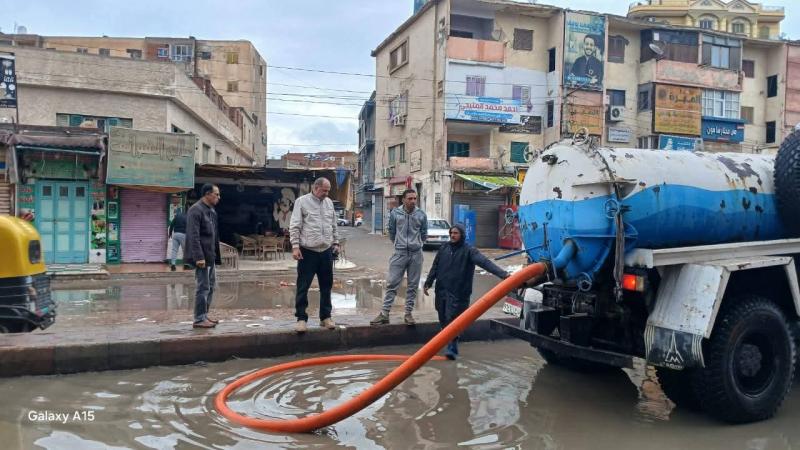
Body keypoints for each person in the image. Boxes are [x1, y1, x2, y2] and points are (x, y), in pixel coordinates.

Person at [423, 224, 509, 359]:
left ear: (462, 235)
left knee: (453, 320)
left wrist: (504, 275)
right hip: (442, 290)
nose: (452, 235)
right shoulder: (444, 248)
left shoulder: (469, 251)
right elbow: (435, 266)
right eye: (451, 233)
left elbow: (485, 263)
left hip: (458, 293)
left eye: (455, 233)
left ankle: (452, 348)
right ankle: (447, 343)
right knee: (443, 318)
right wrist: (428, 282)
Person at [371, 189, 428, 326]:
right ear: (403, 200)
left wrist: (416, 244)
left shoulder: (421, 214)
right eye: (410, 198)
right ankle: (384, 314)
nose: (413, 201)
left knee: (413, 285)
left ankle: (408, 314)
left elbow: (424, 233)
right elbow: (392, 231)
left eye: (414, 198)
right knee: (392, 283)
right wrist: (399, 244)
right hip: (399, 253)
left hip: (416, 254)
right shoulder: (395, 213)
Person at [290, 177, 340, 333]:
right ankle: (301, 318)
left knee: (326, 286)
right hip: (307, 251)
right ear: (315, 187)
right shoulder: (302, 202)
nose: (326, 193)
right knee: (303, 286)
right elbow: (295, 225)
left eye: (328, 191)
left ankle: (325, 317)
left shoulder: (329, 203)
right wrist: (295, 246)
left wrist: (336, 242)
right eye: (324, 190)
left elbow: (333, 224)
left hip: (326, 251)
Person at [185, 184, 221, 329]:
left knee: (211, 286)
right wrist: (199, 257)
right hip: (202, 257)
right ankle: (199, 319)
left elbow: (213, 235)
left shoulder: (211, 211)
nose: (219, 197)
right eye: (216, 194)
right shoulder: (195, 210)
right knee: (203, 287)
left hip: (210, 256)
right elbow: (193, 236)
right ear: (207, 194)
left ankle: (204, 315)